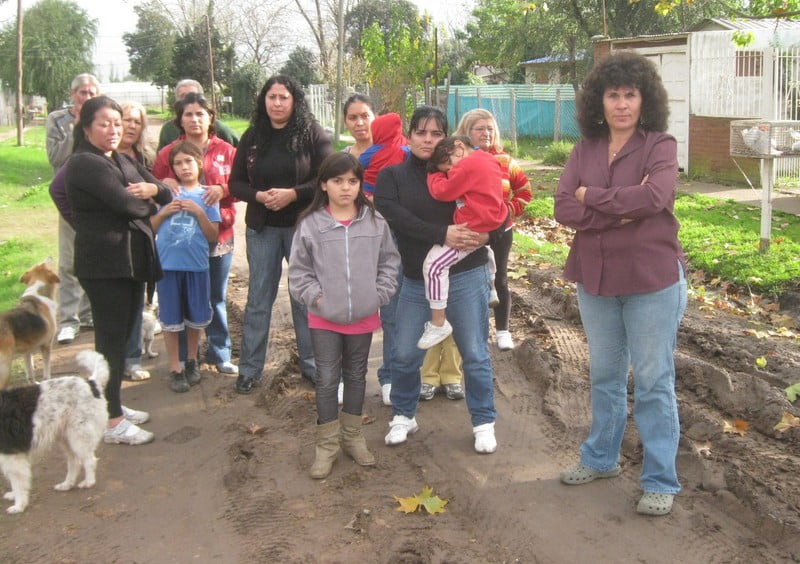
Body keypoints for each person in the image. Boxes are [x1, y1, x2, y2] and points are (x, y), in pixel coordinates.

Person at [553, 51, 687, 516]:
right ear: (600, 100)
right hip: (596, 278)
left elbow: (655, 197)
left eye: (631, 94)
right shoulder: (584, 149)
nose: (622, 104)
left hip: (652, 280)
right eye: (614, 95)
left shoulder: (660, 145)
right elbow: (563, 206)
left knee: (653, 381)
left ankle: (660, 480)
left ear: (644, 99)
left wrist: (593, 198)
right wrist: (619, 211)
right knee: (606, 375)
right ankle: (601, 458)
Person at [374, 106, 503, 454]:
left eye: (436, 134)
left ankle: (483, 422)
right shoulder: (392, 177)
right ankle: (404, 414)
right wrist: (442, 233)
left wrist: (487, 235)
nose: (428, 140)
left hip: (467, 275)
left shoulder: (465, 168)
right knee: (404, 354)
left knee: (474, 353)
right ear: (408, 136)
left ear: (447, 137)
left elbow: (499, 210)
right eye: (421, 132)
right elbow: (396, 217)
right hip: (416, 280)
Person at [66, 95, 172, 445]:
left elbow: (165, 192)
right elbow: (129, 205)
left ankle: (112, 406)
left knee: (121, 337)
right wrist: (148, 200)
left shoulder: (121, 159)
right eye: (104, 124)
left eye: (117, 122)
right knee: (109, 343)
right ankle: (110, 421)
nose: (113, 129)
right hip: (104, 265)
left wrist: (152, 189)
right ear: (86, 128)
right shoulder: (85, 163)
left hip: (129, 262)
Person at [289, 152, 400, 479]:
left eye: (352, 181)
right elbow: (299, 271)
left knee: (356, 375)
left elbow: (389, 262)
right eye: (337, 181)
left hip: (363, 315)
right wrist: (316, 297)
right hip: (324, 317)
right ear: (324, 185)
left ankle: (352, 437)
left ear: (360, 184)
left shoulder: (375, 222)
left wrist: (378, 295)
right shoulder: (311, 224)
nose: (346, 188)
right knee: (326, 378)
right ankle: (326, 446)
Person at [230, 75, 332, 395]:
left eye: (283, 97)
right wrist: (259, 196)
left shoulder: (312, 134)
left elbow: (328, 178)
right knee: (259, 299)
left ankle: (312, 365)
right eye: (271, 97)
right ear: (264, 100)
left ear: (294, 100)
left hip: (302, 228)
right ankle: (250, 369)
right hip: (263, 229)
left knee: (304, 299)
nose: (276, 103)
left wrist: (294, 194)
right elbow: (235, 183)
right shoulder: (252, 137)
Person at [153, 92, 239, 375]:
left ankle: (220, 352)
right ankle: (183, 359)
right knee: (180, 299)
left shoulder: (226, 150)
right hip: (180, 243)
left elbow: (244, 184)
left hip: (218, 233)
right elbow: (154, 187)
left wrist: (223, 189)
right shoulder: (168, 153)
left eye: (200, 114)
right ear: (180, 120)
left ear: (210, 117)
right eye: (188, 114)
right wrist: (163, 182)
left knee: (214, 296)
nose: (194, 119)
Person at [416, 136, 507, 350]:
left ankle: (438, 322)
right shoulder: (488, 159)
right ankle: (491, 288)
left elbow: (442, 192)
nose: (450, 171)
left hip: (471, 228)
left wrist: (434, 174)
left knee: (434, 265)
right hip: (491, 220)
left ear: (458, 147)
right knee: (485, 249)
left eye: (449, 165)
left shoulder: (466, 166)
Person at [454, 109, 533, 351]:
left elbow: (525, 192)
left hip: (501, 230)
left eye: (490, 129)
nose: (486, 133)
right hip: (468, 230)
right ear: (466, 132)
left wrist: (506, 211)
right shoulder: (458, 159)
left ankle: (502, 331)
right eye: (480, 129)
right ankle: (470, 333)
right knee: (468, 280)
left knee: (500, 279)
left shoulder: (506, 161)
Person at [152, 142, 221, 393]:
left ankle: (192, 359)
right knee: (171, 317)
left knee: (195, 316)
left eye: (189, 161)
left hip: (197, 265)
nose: (184, 167)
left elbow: (213, 235)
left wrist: (199, 213)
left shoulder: (208, 195)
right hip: (168, 265)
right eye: (178, 163)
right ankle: (175, 367)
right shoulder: (166, 193)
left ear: (199, 163)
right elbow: (151, 226)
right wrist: (164, 212)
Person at [46, 73, 100, 345]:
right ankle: (69, 319)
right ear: (73, 94)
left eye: (92, 93)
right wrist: (77, 128)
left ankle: (89, 314)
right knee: (69, 261)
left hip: (97, 198)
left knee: (95, 256)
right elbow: (55, 157)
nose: (87, 97)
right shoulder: (57, 119)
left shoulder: (102, 116)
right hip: (69, 197)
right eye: (82, 92)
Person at [118, 101, 157, 382]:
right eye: (126, 119)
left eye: (136, 121)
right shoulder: (100, 156)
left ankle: (131, 359)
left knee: (135, 302)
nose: (131, 125)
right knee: (114, 306)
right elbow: (59, 190)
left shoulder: (145, 157)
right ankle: (112, 360)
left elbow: (160, 191)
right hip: (110, 242)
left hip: (140, 238)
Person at [158, 79, 239, 150]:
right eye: (182, 96)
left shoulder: (221, 130)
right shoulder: (168, 130)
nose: (187, 100)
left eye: (192, 95)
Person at [358, 112, 409, 196]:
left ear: (379, 131)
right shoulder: (405, 151)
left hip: (369, 190)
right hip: (395, 192)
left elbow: (358, 164)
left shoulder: (373, 151)